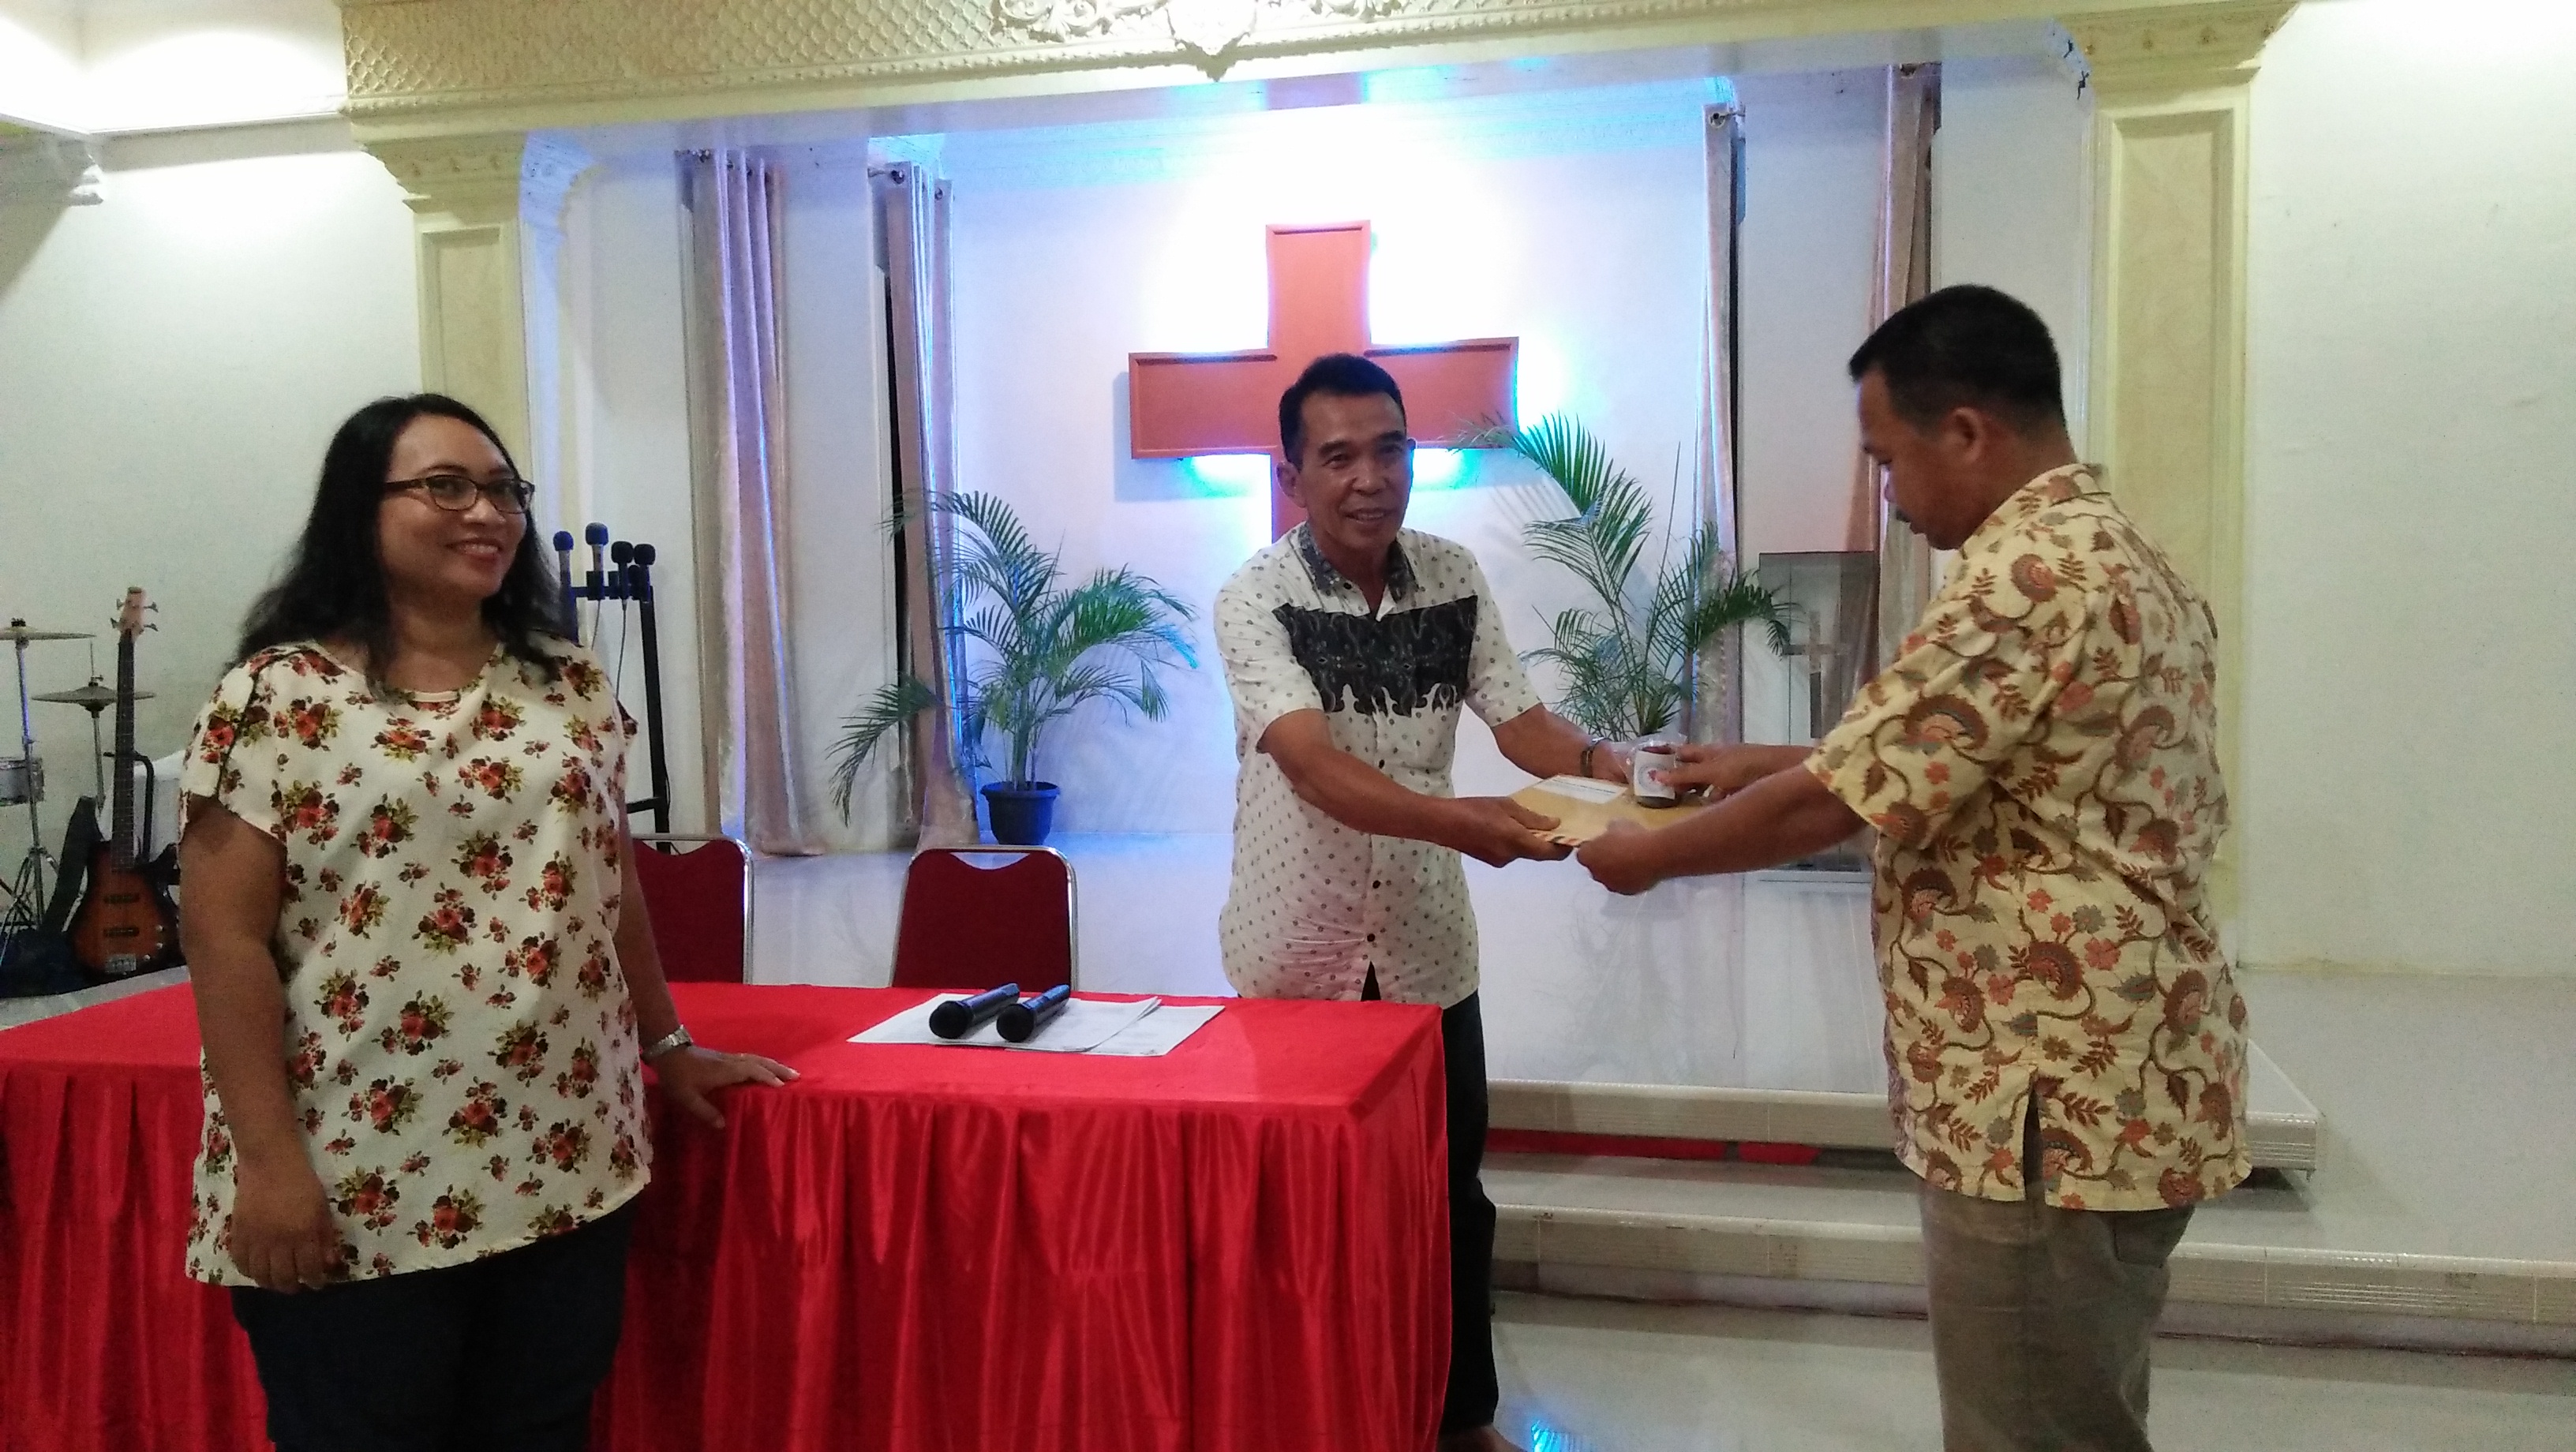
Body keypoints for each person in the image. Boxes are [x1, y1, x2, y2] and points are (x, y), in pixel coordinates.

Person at [1577, 286, 2248, 1452]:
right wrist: (1750, 764)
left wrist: (1648, 859)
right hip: (2129, 1078)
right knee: (2082, 1412)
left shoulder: (2024, 578)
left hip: (2044, 1096)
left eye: (1888, 460)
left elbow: (1837, 799)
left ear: (1968, 432)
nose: (1887, 493)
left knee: (2026, 1428)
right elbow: (1963, 758)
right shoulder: (2118, 555)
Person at [178, 393, 795, 1451]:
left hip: (565, 1154)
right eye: (445, 487)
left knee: (543, 1429)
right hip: (358, 1169)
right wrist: (271, 1168)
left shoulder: (566, 681)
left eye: (504, 490)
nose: (487, 513)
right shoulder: (277, 697)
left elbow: (608, 883)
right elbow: (223, 940)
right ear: (360, 511)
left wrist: (670, 1046)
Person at [1213, 354, 1632, 1452]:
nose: (1371, 478)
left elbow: (1521, 723)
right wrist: (1465, 822)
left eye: (1390, 449)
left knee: (1449, 1195)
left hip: (1426, 952)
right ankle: (1312, 1412)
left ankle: (1459, 1417)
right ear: (1293, 476)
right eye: (1338, 457)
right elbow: (1313, 766)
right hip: (1295, 954)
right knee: (1303, 1202)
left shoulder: (1452, 576)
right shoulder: (1255, 597)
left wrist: (1615, 765)